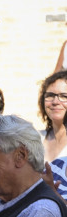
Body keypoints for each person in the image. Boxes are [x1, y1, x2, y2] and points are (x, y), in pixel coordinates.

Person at [38, 70, 67, 202]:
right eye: (50, 95)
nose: (55, 101)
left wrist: (50, 192)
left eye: (63, 96)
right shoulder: (36, 138)